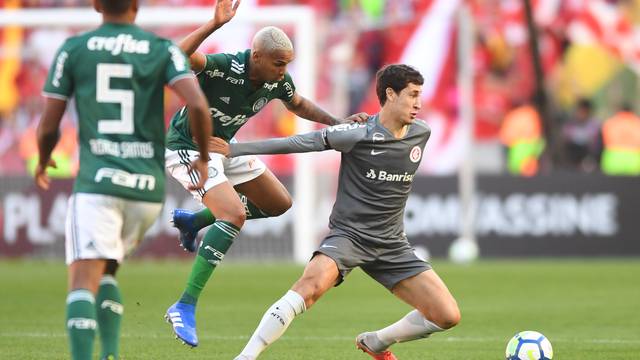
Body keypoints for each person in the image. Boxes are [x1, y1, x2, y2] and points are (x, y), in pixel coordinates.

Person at [208, 64, 461, 360]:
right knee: (309, 288)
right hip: (349, 238)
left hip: (392, 244)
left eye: (420, 95)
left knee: (447, 315)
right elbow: (300, 142)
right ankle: (246, 357)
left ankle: (376, 342)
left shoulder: (422, 133)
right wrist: (237, 150)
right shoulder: (357, 133)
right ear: (390, 94)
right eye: (413, 95)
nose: (419, 103)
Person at [163, 0, 367, 347]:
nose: (283, 70)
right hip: (189, 147)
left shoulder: (276, 81)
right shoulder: (223, 67)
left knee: (278, 202)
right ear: (256, 56)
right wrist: (213, 25)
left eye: (287, 64)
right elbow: (176, 58)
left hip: (223, 145)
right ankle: (185, 304)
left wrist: (337, 122)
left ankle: (195, 221)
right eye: (278, 63)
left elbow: (298, 103)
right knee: (235, 213)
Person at [35, 1, 212, 359]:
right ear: (136, 6)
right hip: (146, 191)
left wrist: (43, 160)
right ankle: (111, 354)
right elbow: (197, 105)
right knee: (107, 274)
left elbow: (49, 125)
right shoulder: (160, 48)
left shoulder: (74, 49)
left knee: (83, 281)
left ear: (96, 4)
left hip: (99, 183)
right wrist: (204, 157)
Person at [561, 98, 601, 172]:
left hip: (590, 158)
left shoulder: (594, 124)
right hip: (573, 159)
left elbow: (594, 142)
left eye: (584, 112)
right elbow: (566, 139)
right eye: (580, 111)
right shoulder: (570, 125)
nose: (581, 114)